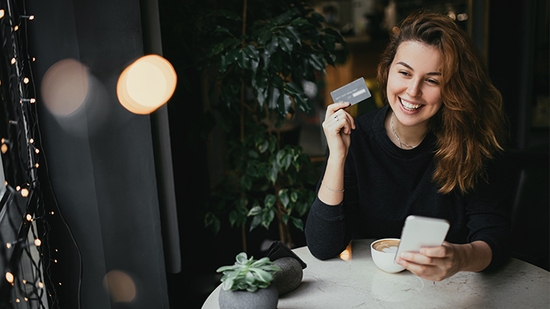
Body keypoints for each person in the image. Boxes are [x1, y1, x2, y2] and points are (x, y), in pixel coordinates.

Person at [305, 11, 512, 281]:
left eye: (432, 80)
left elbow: (494, 239)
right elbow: (323, 247)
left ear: (453, 88)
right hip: (369, 290)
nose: (413, 91)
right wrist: (337, 157)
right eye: (404, 72)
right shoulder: (357, 136)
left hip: (452, 288)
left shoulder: (472, 141)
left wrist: (460, 258)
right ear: (387, 70)